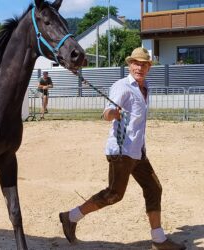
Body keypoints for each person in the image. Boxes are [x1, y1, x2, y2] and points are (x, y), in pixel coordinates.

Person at [59, 47, 186, 250]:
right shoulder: (122, 86)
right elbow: (107, 113)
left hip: (137, 150)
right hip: (121, 150)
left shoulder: (146, 87)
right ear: (129, 65)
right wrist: (113, 113)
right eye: (136, 63)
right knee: (114, 194)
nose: (140, 67)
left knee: (154, 188)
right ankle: (70, 217)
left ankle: (159, 240)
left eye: (144, 64)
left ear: (149, 67)